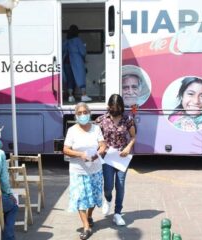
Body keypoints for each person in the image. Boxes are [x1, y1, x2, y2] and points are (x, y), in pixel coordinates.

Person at [63, 102, 106, 240]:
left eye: (85, 112)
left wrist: (97, 153)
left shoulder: (96, 129)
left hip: (95, 169)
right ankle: (86, 226)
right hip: (78, 170)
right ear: (76, 115)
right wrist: (80, 155)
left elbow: (102, 145)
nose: (82, 115)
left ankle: (89, 215)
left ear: (89, 113)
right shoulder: (72, 130)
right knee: (81, 198)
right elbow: (66, 149)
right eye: (79, 113)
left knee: (94, 197)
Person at [95, 94, 136, 226]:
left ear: (122, 107)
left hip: (122, 158)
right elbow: (95, 138)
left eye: (118, 107)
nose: (115, 109)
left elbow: (133, 136)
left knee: (120, 184)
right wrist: (99, 147)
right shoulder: (101, 120)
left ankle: (117, 213)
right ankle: (108, 199)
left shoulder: (127, 119)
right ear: (108, 106)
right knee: (108, 185)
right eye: (112, 107)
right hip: (107, 157)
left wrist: (128, 147)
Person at [63, 24, 92, 103]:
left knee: (70, 79)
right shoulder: (77, 40)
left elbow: (63, 49)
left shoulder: (66, 41)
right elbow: (83, 51)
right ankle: (83, 95)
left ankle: (70, 96)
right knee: (81, 76)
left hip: (67, 60)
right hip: (76, 60)